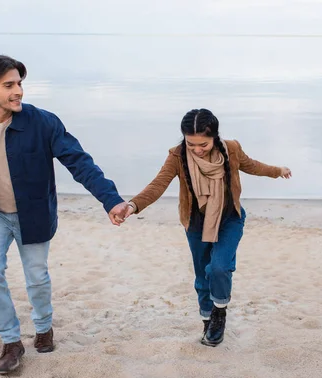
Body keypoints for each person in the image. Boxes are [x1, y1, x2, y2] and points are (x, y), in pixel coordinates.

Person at [0, 54, 129, 374]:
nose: (19, 91)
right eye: (8, 85)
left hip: (33, 213)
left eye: (20, 83)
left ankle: (43, 327)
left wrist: (111, 200)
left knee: (36, 277)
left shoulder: (43, 122)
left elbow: (80, 163)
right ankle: (11, 341)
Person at [124, 108, 292, 346]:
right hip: (195, 222)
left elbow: (251, 165)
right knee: (202, 276)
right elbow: (158, 184)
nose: (197, 150)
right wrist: (133, 205)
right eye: (191, 144)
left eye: (202, 144)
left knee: (219, 268)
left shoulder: (231, 149)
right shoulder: (178, 156)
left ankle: (220, 311)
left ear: (214, 136)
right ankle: (207, 320)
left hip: (229, 218)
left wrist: (277, 171)